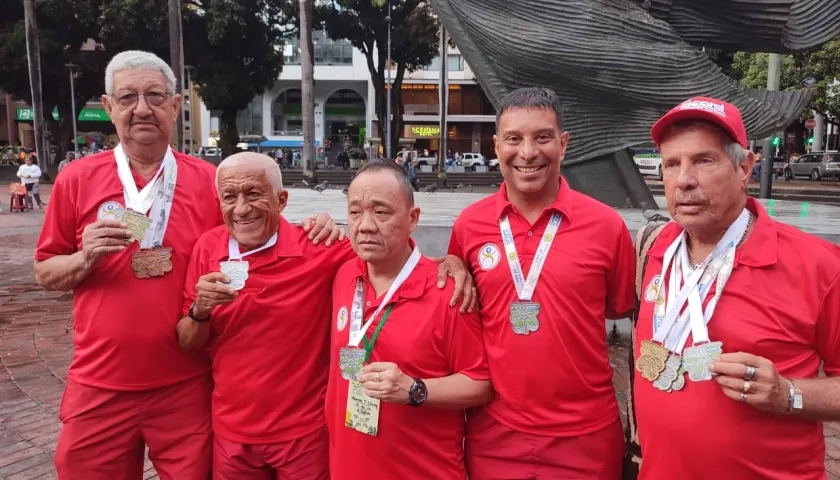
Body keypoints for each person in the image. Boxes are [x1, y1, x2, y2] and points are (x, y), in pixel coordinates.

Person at [33, 50, 340, 480]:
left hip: (188, 383)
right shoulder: (76, 179)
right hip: (100, 380)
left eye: (155, 96)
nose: (142, 108)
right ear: (108, 106)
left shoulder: (208, 181)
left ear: (175, 105)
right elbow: (45, 271)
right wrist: (84, 258)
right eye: (128, 97)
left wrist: (318, 226)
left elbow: (253, 232)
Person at [177, 153, 476, 479]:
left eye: (253, 194)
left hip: (305, 435)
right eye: (229, 197)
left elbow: (388, 255)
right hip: (232, 432)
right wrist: (200, 310)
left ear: (281, 200)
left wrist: (450, 262)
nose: (241, 208)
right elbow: (187, 341)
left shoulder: (319, 247)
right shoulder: (206, 248)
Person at [633, 96, 840, 479]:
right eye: (672, 164)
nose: (684, 179)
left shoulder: (820, 265)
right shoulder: (655, 248)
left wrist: (789, 394)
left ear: (744, 167)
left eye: (703, 160)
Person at [448, 87, 635, 479]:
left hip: (585, 437)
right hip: (494, 433)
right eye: (514, 138)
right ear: (497, 146)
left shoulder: (607, 226)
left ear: (563, 144)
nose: (528, 152)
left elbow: (617, 307)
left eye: (543, 137)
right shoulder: (469, 225)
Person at [327, 160, 493, 479]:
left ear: (413, 218)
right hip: (347, 467)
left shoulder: (448, 292)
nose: (365, 225)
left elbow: (481, 383)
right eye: (355, 212)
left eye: (381, 212)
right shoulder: (344, 273)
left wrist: (416, 389)